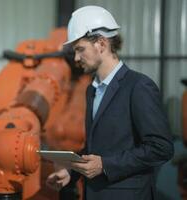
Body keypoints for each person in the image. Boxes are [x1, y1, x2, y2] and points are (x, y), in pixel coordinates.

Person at [47, 5, 174, 200]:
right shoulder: (92, 89)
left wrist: (105, 165)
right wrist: (71, 173)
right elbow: (95, 149)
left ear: (101, 43)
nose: (76, 58)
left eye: (80, 49)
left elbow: (161, 148)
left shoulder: (139, 86)